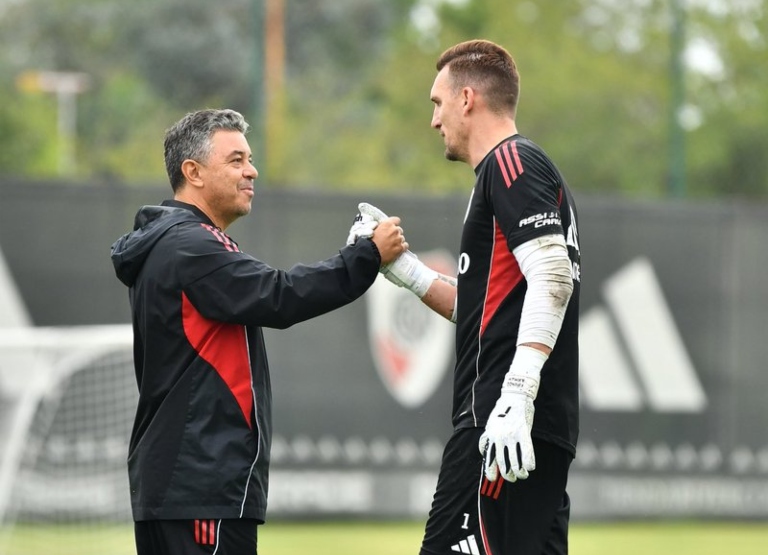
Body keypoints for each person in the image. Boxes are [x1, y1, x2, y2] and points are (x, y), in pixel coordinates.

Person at [109, 108, 406, 555]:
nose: (253, 171)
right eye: (236, 160)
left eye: (249, 158)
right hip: (200, 483)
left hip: (185, 483)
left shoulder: (175, 243)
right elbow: (281, 295)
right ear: (193, 172)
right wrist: (366, 255)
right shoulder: (191, 245)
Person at [360, 39, 581, 555]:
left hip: (502, 423)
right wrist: (408, 272)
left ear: (466, 99)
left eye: (437, 104)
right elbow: (484, 309)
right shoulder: (507, 173)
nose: (434, 120)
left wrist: (516, 395)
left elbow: (553, 276)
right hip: (528, 425)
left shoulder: (511, 161)